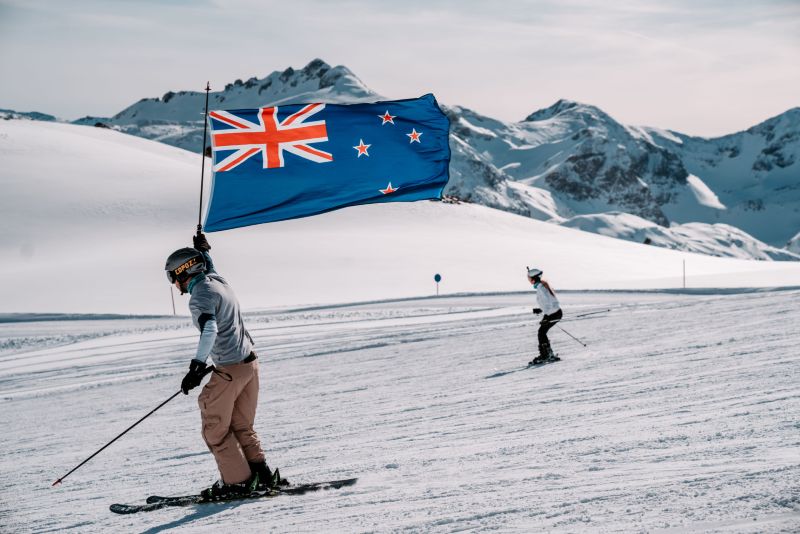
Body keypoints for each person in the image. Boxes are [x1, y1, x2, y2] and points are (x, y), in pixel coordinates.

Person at [165, 232, 285, 500]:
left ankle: (237, 482)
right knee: (242, 425)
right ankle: (261, 474)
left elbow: (210, 328)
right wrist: (204, 251)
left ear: (184, 272)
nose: (174, 283)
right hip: (250, 365)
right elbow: (210, 265)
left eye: (173, 276)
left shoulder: (200, 295)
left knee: (215, 428)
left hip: (230, 368)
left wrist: (197, 367)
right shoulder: (218, 281)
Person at [526, 267, 563, 365]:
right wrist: (541, 309)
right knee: (542, 332)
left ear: (534, 278)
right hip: (552, 313)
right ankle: (547, 354)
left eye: (529, 278)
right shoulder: (541, 286)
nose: (529, 280)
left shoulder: (541, 288)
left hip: (553, 313)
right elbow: (548, 303)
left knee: (541, 332)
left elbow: (552, 303)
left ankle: (546, 355)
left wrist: (547, 317)